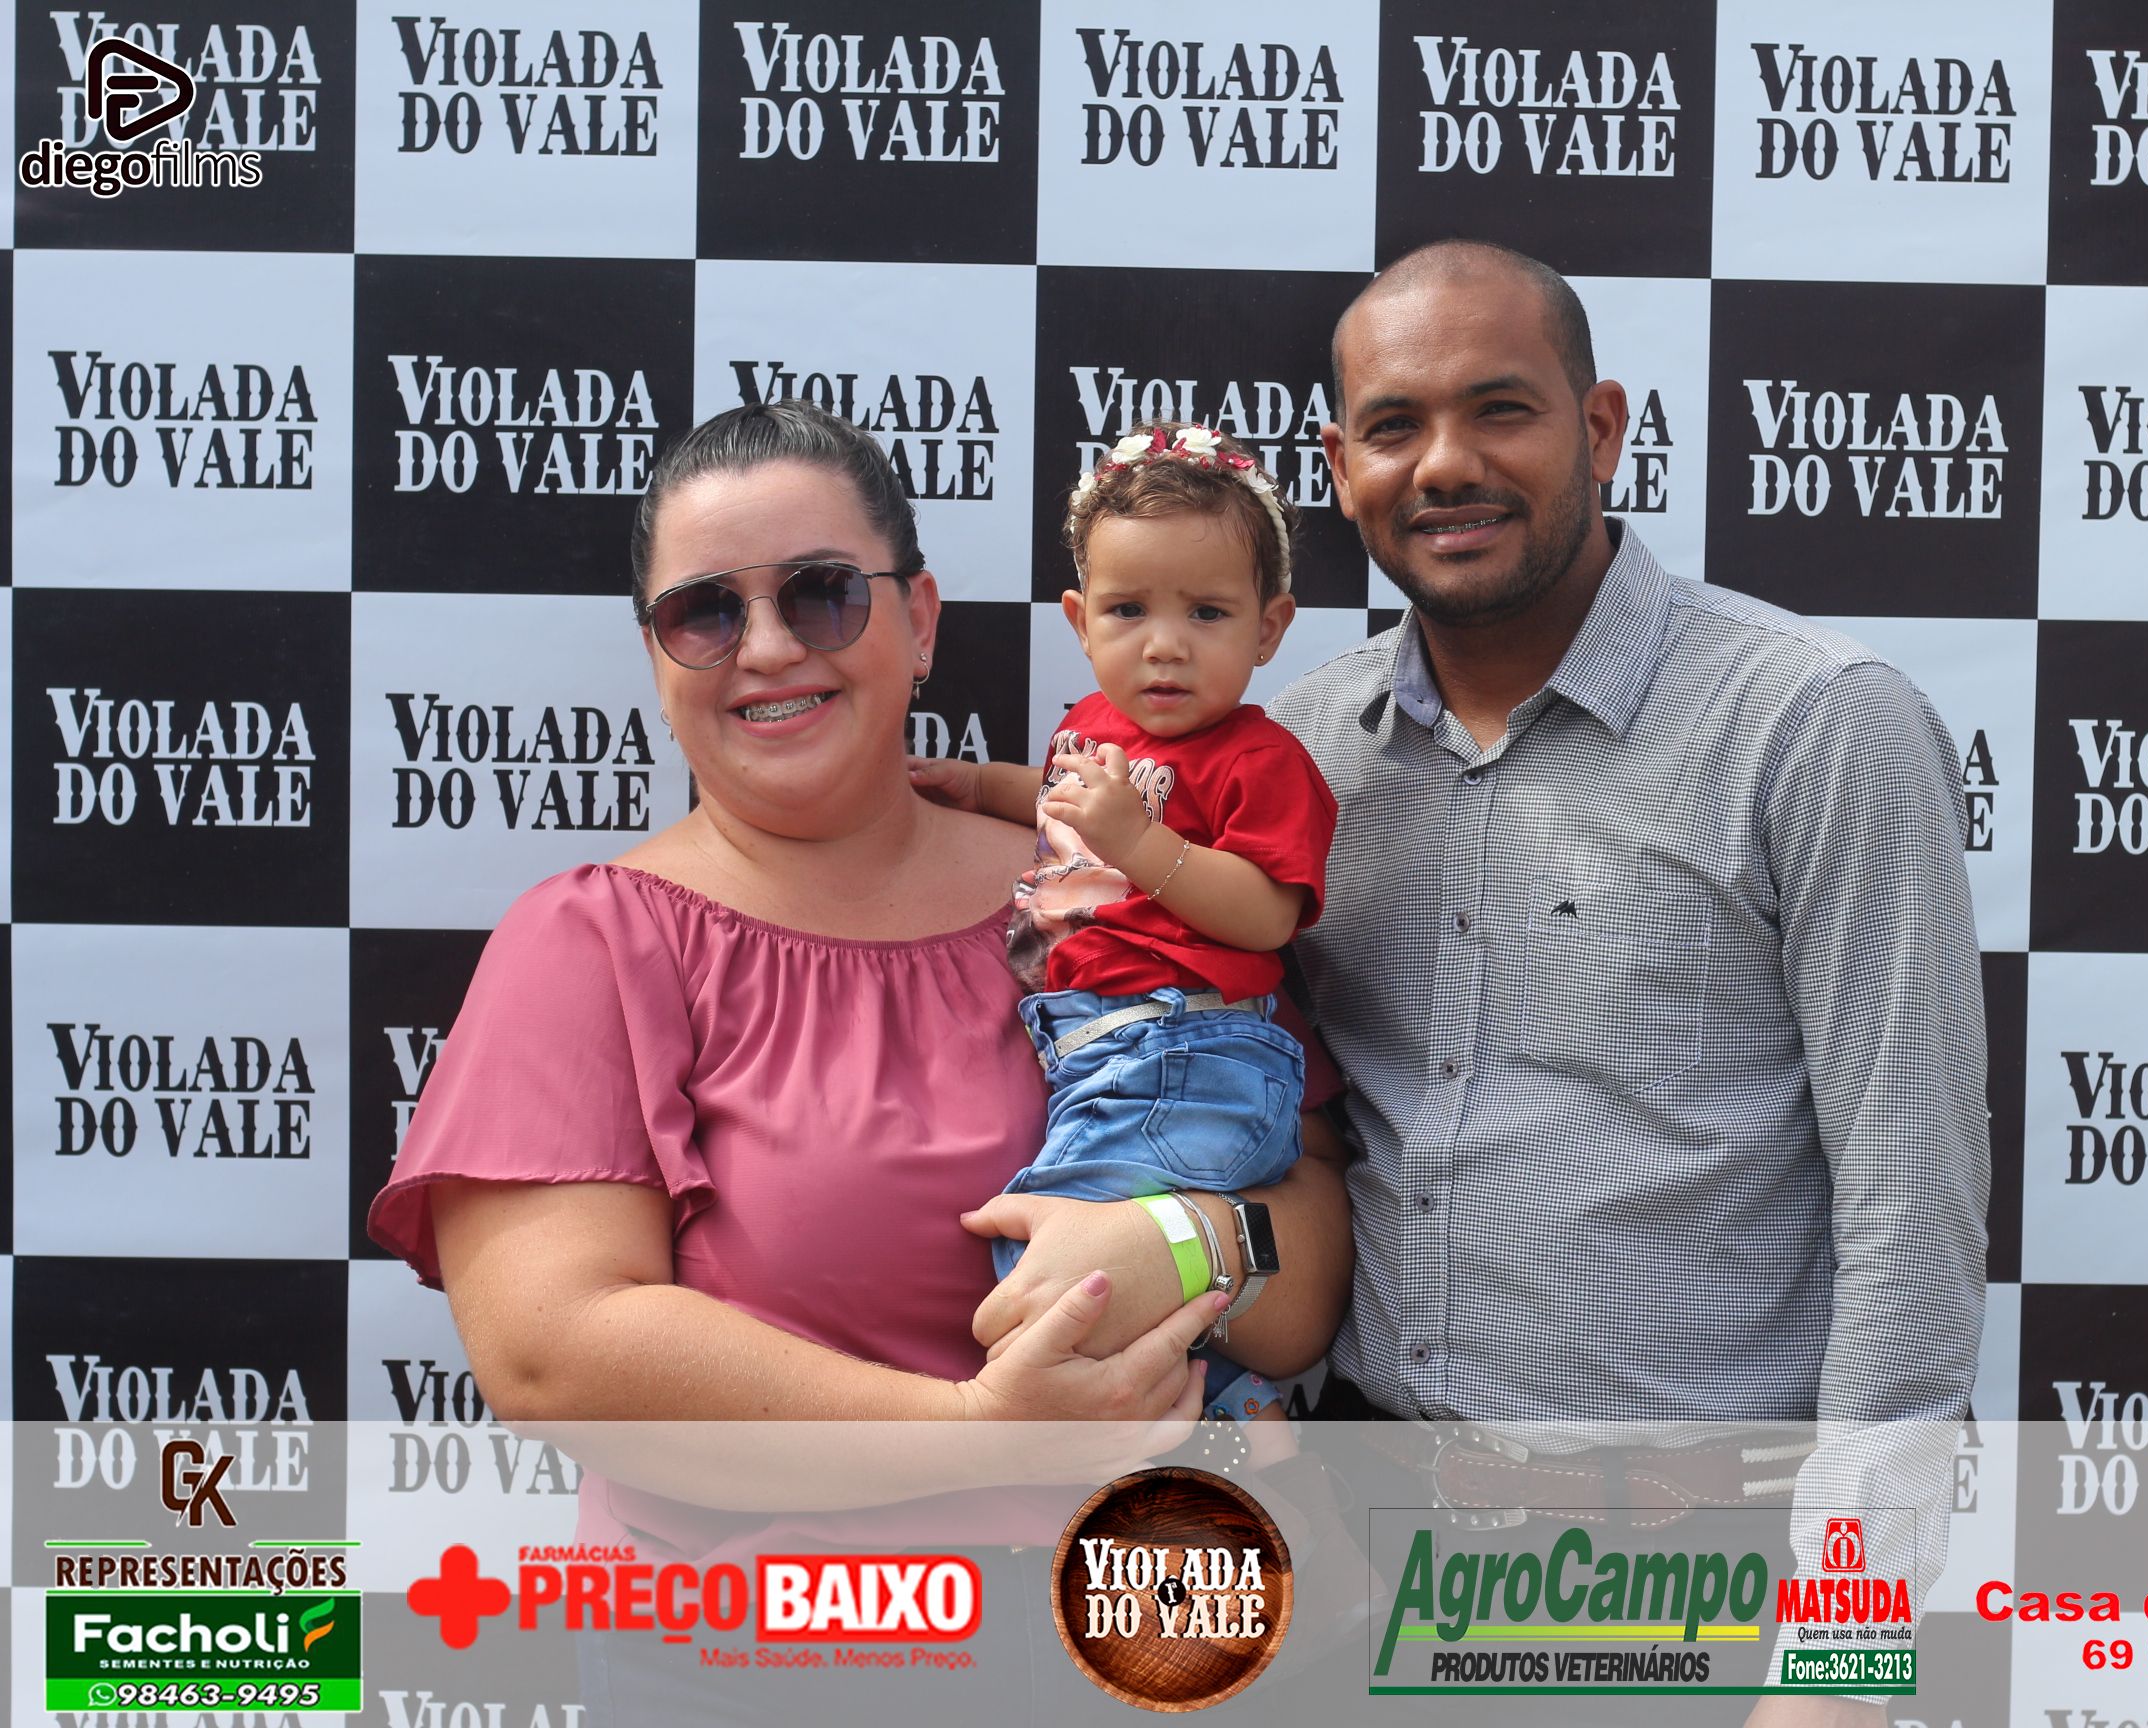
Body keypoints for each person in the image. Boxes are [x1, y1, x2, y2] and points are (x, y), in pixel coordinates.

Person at [364, 398, 1352, 1522]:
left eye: (822, 594)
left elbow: (1315, 1263)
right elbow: (552, 1358)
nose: (768, 647)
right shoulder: (590, 940)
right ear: (655, 658)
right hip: (761, 1630)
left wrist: (1181, 1242)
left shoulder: (1112, 877)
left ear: (919, 622)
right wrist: (983, 1434)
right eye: (703, 613)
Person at [1268, 240, 1990, 1725]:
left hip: (1700, 1584)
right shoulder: (1305, 753)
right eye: (1395, 426)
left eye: (1501, 409)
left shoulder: (1816, 723)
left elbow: (1912, 1214)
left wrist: (1845, 1670)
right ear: (1341, 470)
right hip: (1370, 1563)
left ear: (1600, 429)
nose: (1446, 464)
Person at [910, 421, 1337, 1457]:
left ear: (1270, 627)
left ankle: (1208, 1419)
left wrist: (1140, 844)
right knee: (1083, 1268)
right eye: (1129, 610)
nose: (1165, 644)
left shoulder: (1261, 759)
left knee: (1047, 1269)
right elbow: (1057, 795)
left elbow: (1268, 914)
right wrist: (980, 783)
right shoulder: (1095, 728)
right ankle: (1238, 1403)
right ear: (1079, 618)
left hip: (1190, 1051)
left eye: (1207, 612)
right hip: (1102, 1052)